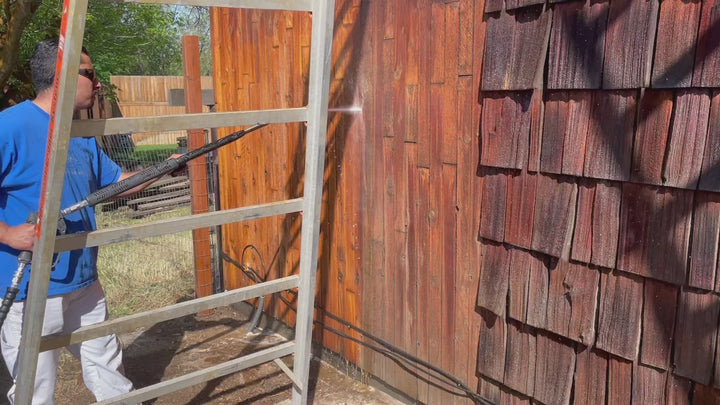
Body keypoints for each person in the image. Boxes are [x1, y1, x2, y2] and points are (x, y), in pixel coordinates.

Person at [0, 38, 159, 404]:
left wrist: (167, 167)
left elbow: (116, 186)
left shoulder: (79, 134)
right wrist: (8, 233)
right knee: (34, 390)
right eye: (90, 74)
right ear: (65, 75)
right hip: (32, 291)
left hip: (84, 284)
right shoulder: (10, 128)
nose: (98, 83)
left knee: (109, 369)